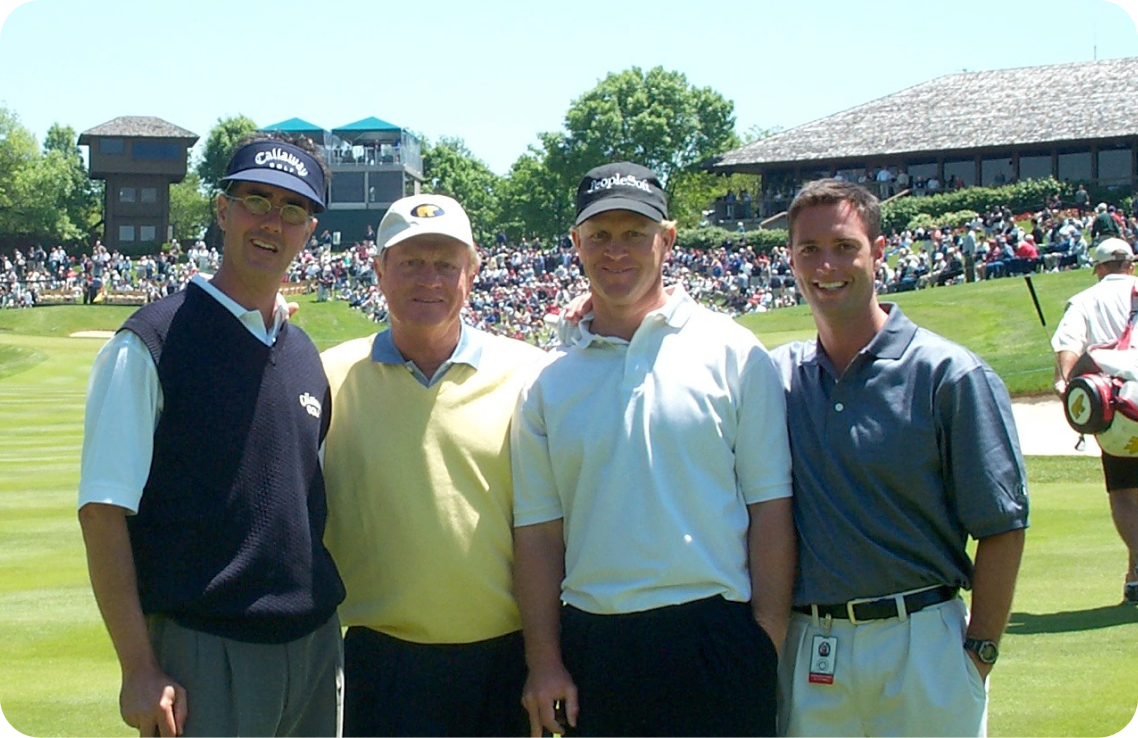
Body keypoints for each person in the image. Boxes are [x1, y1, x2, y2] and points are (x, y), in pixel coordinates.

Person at [511, 162, 794, 738]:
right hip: (596, 642)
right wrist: (544, 660)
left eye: (634, 233)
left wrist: (765, 637)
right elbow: (539, 535)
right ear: (576, 243)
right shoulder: (546, 382)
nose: (616, 251)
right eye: (600, 235)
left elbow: (770, 508)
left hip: (717, 635)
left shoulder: (734, 353)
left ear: (667, 238)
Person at [77, 134, 346, 738]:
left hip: (314, 649)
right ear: (223, 210)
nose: (272, 221)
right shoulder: (150, 342)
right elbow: (102, 511)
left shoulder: (304, 355)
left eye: (293, 208)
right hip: (205, 654)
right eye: (256, 199)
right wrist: (137, 666)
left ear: (310, 230)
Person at [771, 178, 1028, 738]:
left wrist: (979, 652)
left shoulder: (949, 374)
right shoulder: (775, 377)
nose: (825, 265)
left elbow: (1002, 525)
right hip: (811, 647)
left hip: (922, 641)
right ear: (790, 258)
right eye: (809, 249)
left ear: (879, 252)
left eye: (845, 246)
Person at [320, 193, 545, 737]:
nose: (430, 279)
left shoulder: (531, 375)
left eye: (446, 264)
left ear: (473, 271)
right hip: (381, 660)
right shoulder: (329, 376)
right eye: (411, 263)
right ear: (379, 271)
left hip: (505, 660)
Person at [1050, 236, 1138, 605]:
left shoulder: (1086, 300)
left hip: (1119, 409)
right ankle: (1134, 578)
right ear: (1130, 264)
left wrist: (1066, 383)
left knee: (1125, 492)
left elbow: (1068, 344)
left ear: (1099, 268)